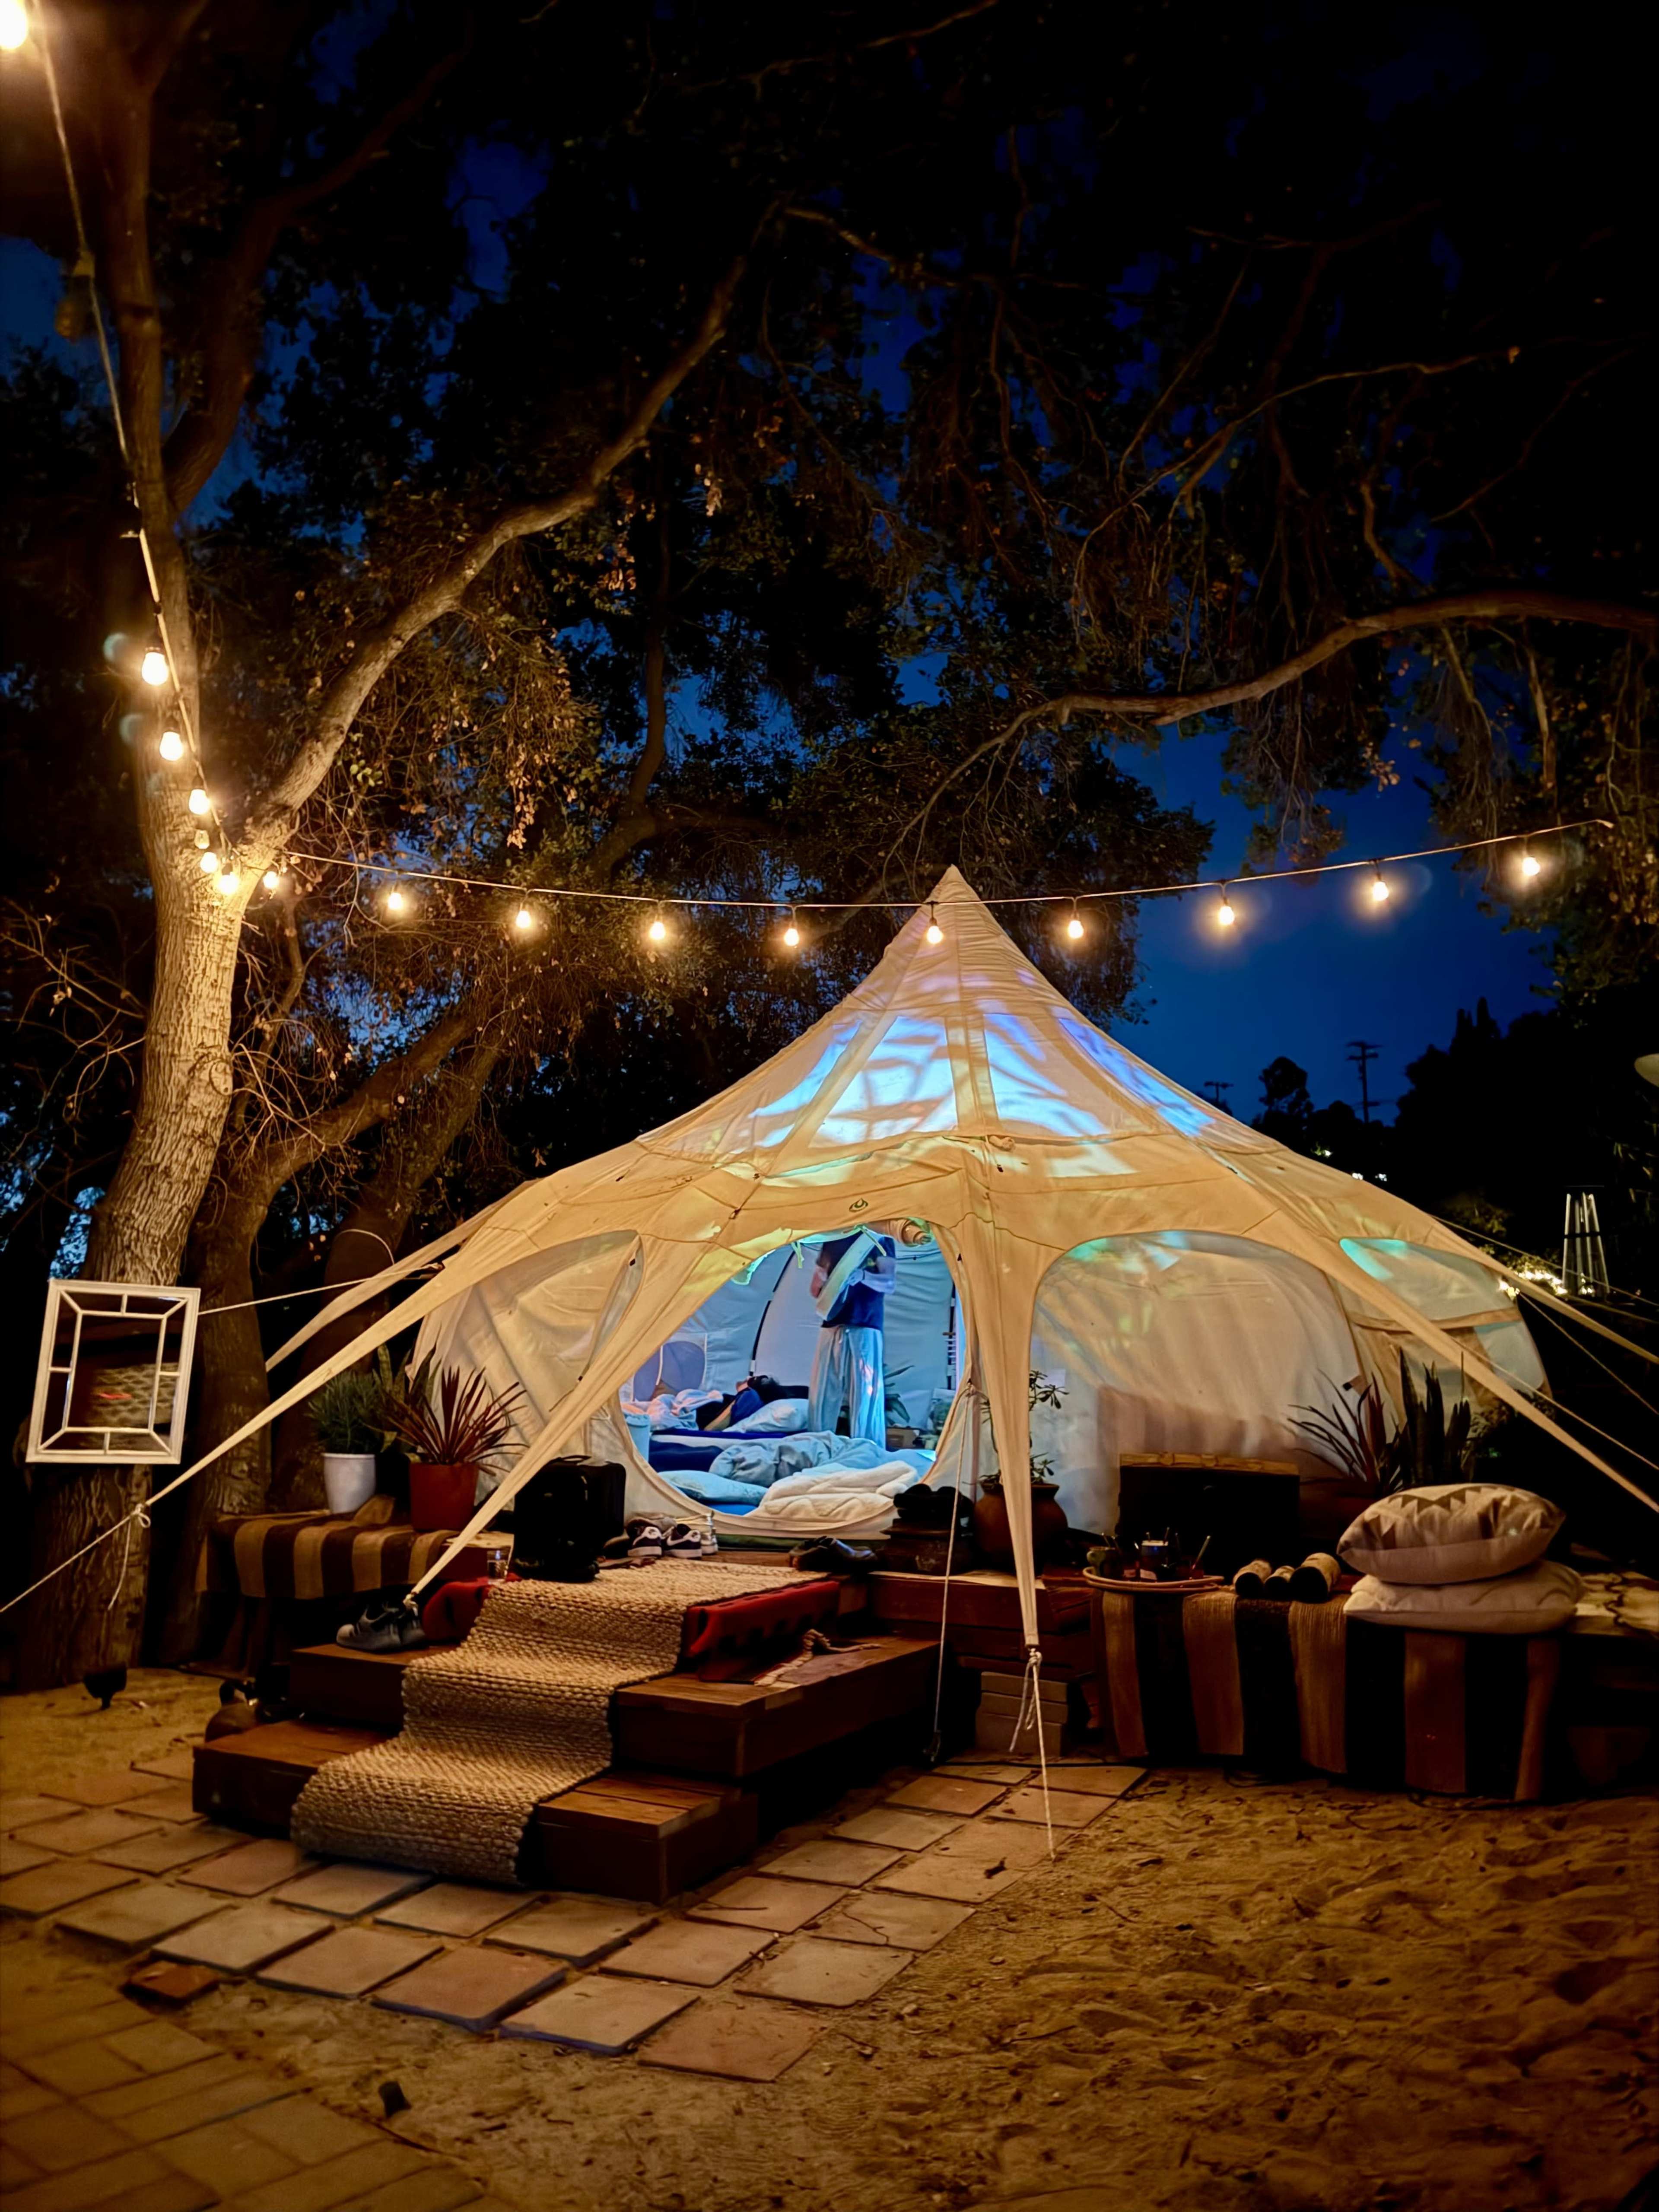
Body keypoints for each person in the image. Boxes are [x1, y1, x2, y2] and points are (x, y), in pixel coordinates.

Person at [807, 1227, 897, 1445]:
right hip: (832, 1321)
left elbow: (889, 1283)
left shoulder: (880, 1240)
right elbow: (815, 1290)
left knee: (866, 1392)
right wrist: (822, 1279)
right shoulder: (832, 1239)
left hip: (865, 1323)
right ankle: (817, 1445)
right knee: (823, 1391)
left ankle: (868, 1448)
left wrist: (863, 1276)